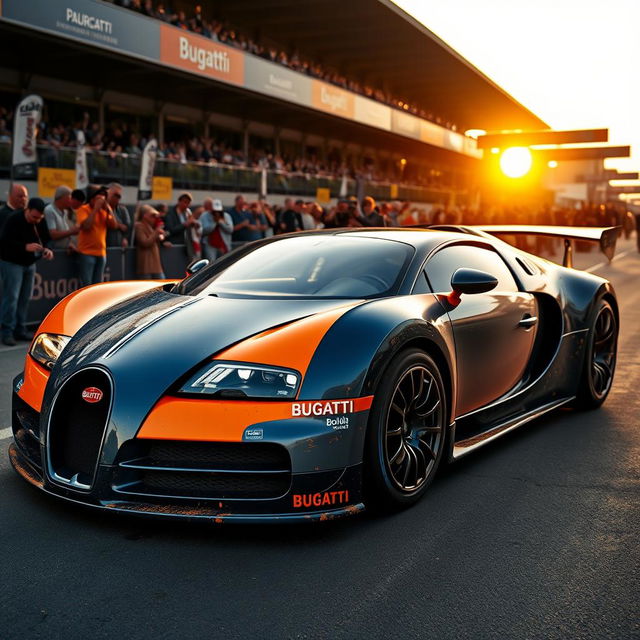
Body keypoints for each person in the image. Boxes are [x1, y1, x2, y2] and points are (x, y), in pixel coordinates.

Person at [0, 198, 53, 346]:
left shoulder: (40, 221)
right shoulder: (13, 219)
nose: (36, 220)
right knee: (11, 298)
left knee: (24, 298)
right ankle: (7, 332)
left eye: (39, 218)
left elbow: (46, 238)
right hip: (12, 262)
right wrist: (25, 247)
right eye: (33, 217)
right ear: (27, 210)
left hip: (29, 264)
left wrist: (47, 249)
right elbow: (4, 242)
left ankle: (20, 329)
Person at [75, 185, 118, 287]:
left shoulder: (104, 212)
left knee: (98, 287)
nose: (101, 201)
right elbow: (86, 226)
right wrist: (95, 209)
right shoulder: (83, 209)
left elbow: (114, 225)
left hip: (101, 253)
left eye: (103, 199)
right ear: (92, 198)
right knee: (87, 286)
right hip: (87, 253)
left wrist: (109, 209)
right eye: (99, 198)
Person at [134, 204, 167, 279]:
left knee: (162, 285)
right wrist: (156, 232)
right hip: (146, 265)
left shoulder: (151, 226)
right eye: (152, 215)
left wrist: (161, 236)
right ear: (145, 215)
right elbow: (144, 242)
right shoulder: (139, 226)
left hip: (155, 265)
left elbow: (156, 239)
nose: (155, 218)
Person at [44, 185, 79, 250]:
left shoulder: (65, 211)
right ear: (62, 197)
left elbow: (64, 233)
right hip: (55, 252)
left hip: (64, 251)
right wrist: (71, 231)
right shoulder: (50, 210)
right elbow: (53, 235)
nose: (71, 201)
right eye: (70, 197)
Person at [105, 182, 132, 248]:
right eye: (116, 195)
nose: (118, 198)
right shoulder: (100, 208)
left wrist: (125, 238)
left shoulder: (122, 210)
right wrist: (119, 225)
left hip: (118, 246)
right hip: (103, 246)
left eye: (119, 196)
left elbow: (127, 228)